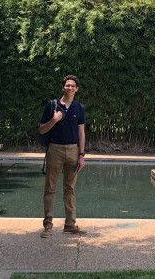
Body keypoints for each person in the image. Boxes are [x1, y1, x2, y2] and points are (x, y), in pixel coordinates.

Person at [39, 74, 87, 238]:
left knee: (70, 189)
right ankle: (48, 225)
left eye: (73, 86)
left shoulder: (79, 108)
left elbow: (81, 133)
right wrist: (54, 120)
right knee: (50, 188)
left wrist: (81, 155)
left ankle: (70, 225)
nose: (70, 88)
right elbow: (42, 130)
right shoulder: (52, 106)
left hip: (73, 150)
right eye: (67, 85)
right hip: (55, 150)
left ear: (77, 89)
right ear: (63, 87)